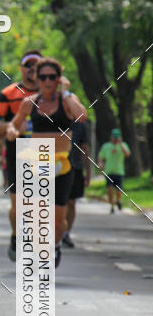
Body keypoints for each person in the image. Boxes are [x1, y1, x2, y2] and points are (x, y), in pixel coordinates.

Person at [6, 58, 87, 268]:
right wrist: (13, 132)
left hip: (61, 166)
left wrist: (67, 92)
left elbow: (81, 116)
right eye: (43, 77)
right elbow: (13, 126)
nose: (47, 81)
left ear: (59, 78)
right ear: (36, 79)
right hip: (35, 164)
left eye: (52, 77)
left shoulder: (67, 101)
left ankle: (56, 244)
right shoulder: (29, 102)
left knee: (58, 221)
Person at [0, 50, 42, 260]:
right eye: (28, 65)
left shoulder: (51, 95)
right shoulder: (9, 94)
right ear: (22, 69)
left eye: (36, 66)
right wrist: (11, 126)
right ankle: (16, 234)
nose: (32, 70)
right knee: (19, 202)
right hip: (17, 153)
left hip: (44, 153)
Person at [63, 105, 91, 247]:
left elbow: (85, 149)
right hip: (57, 168)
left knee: (71, 203)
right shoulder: (57, 121)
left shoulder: (81, 126)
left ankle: (66, 233)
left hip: (76, 168)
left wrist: (88, 173)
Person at [98, 128, 130, 212]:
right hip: (109, 171)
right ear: (111, 137)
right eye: (114, 137)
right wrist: (100, 163)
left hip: (119, 171)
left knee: (118, 190)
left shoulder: (123, 145)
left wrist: (120, 144)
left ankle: (118, 200)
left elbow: (127, 154)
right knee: (109, 190)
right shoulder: (106, 146)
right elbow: (101, 156)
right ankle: (112, 206)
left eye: (117, 137)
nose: (115, 139)